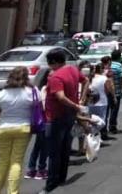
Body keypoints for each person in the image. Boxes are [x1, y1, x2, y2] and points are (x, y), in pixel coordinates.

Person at [42, 48, 89, 192]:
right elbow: (86, 80)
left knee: (54, 152)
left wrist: (76, 104)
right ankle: (61, 177)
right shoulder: (73, 69)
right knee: (65, 148)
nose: (50, 67)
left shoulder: (56, 77)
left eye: (50, 64)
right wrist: (81, 100)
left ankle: (51, 183)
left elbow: (60, 97)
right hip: (70, 115)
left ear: (54, 62)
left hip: (56, 116)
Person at [0, 66, 38, 194]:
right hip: (23, 128)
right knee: (16, 162)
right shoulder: (32, 92)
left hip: (3, 129)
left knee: (2, 162)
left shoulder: (2, 93)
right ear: (26, 77)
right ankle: (12, 192)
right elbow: (37, 110)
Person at [26, 70, 51, 180]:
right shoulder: (43, 89)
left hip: (37, 120)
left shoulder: (37, 89)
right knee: (44, 145)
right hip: (44, 120)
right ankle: (41, 169)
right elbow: (42, 106)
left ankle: (32, 169)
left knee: (39, 145)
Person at [88, 63, 112, 140]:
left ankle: (94, 137)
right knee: (101, 122)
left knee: (92, 121)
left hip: (90, 103)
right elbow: (108, 90)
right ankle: (95, 136)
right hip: (102, 102)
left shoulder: (89, 78)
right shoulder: (104, 78)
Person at [105, 52, 122, 134]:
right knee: (114, 109)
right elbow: (121, 79)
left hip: (106, 91)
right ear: (119, 57)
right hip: (116, 91)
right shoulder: (119, 66)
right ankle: (112, 127)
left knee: (107, 110)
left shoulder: (107, 65)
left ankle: (105, 128)